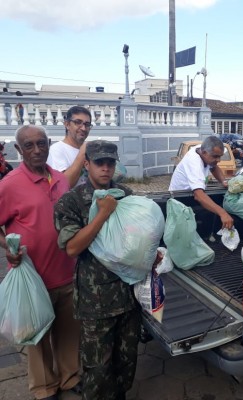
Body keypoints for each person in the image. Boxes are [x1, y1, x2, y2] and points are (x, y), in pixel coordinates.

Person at [54, 140, 141, 400]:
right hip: (96, 301)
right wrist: (102, 214)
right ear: (86, 164)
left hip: (128, 294)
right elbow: (72, 248)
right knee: (97, 367)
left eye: (110, 163)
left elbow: (138, 236)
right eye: (99, 163)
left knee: (126, 359)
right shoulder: (71, 202)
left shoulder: (126, 195)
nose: (105, 168)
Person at [0, 125, 81, 400]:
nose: (37, 150)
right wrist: (7, 249)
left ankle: (70, 378)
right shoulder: (10, 184)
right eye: (29, 145)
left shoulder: (60, 179)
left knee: (68, 333)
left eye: (41, 143)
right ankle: (45, 387)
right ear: (18, 150)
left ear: (49, 144)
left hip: (66, 271)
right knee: (37, 336)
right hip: (33, 277)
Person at [169, 135, 234, 230]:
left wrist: (224, 182)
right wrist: (223, 213)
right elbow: (199, 195)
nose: (218, 160)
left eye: (220, 157)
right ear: (204, 152)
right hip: (180, 200)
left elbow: (214, 167)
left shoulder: (203, 150)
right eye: (216, 157)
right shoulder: (194, 162)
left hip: (191, 196)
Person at [47, 105, 92, 187]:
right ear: (67, 124)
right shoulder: (57, 149)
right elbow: (63, 185)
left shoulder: (90, 149)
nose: (83, 128)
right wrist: (82, 154)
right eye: (78, 122)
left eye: (87, 124)